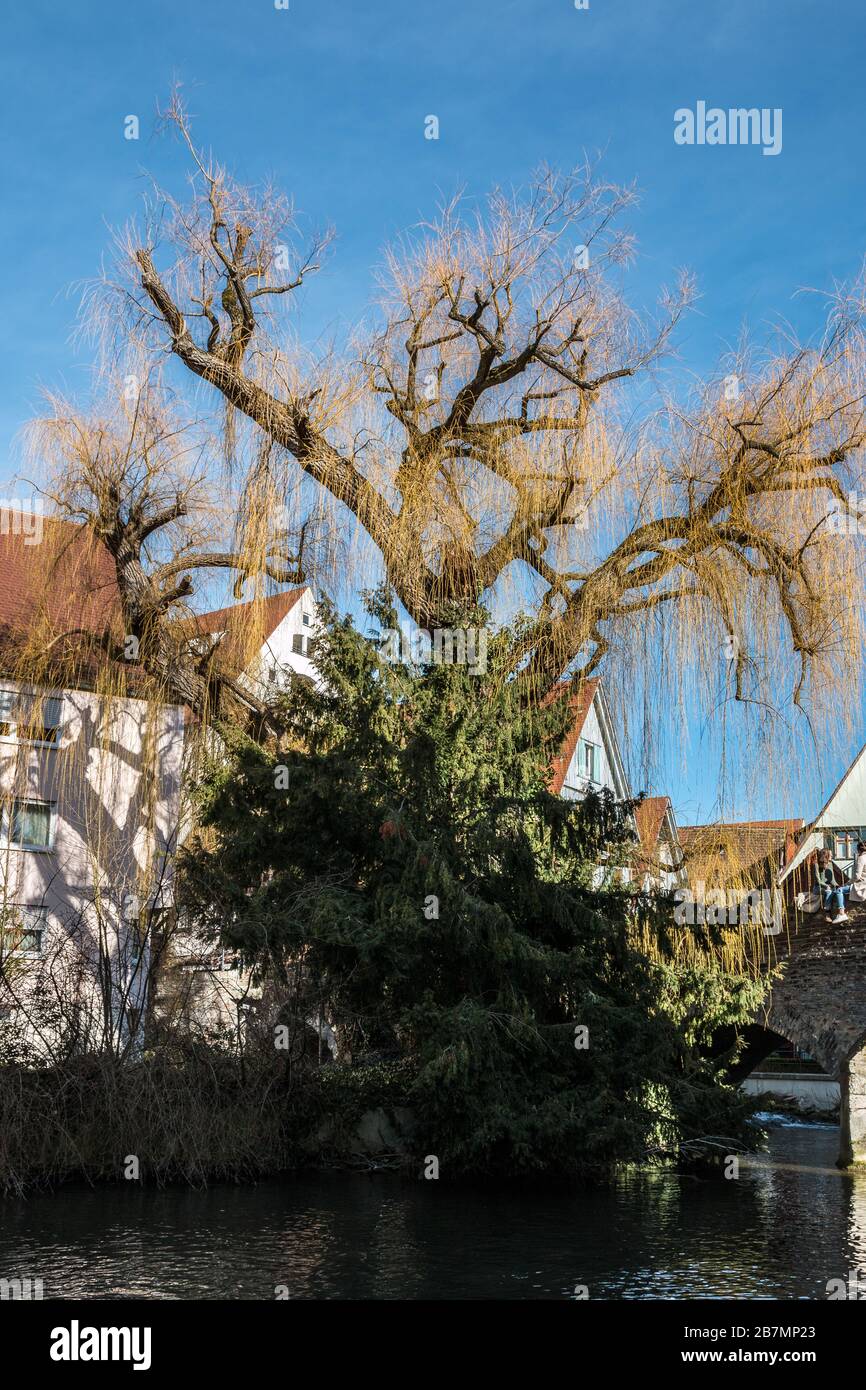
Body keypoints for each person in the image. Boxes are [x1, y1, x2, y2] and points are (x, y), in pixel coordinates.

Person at [814, 848, 850, 923]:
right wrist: (825, 886)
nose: (832, 855)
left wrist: (838, 886)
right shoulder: (816, 864)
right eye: (830, 854)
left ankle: (839, 913)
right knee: (829, 891)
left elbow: (832, 880)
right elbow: (818, 880)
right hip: (818, 887)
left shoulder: (830, 864)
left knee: (835, 891)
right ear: (826, 855)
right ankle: (827, 914)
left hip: (828, 887)